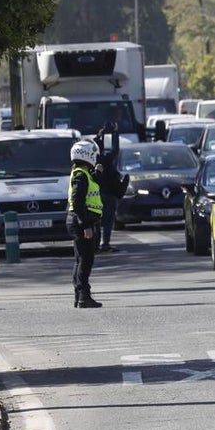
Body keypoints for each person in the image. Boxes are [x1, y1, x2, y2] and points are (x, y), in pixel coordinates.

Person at [67, 139, 104, 308]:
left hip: (79, 219)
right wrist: (86, 225)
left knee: (80, 259)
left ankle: (79, 295)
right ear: (87, 154)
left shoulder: (82, 173)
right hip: (82, 221)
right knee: (85, 260)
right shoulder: (81, 175)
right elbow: (77, 200)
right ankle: (83, 296)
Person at [94, 124, 130, 253]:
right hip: (109, 195)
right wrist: (115, 133)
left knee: (97, 221)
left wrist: (100, 135)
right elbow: (115, 149)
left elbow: (97, 147)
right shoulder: (108, 162)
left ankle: (97, 245)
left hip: (97, 195)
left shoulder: (96, 161)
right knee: (107, 221)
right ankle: (105, 244)